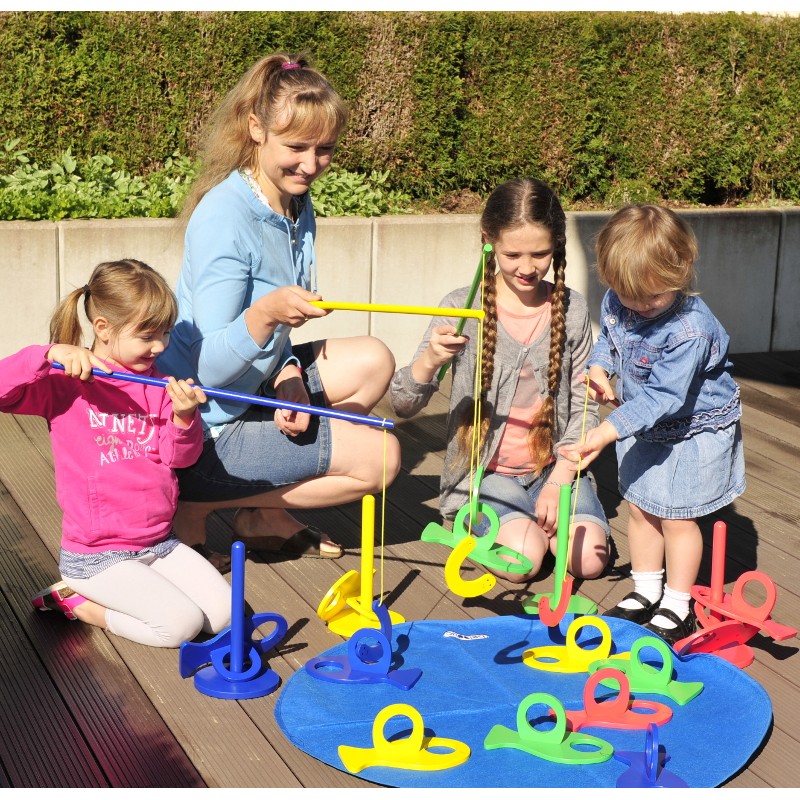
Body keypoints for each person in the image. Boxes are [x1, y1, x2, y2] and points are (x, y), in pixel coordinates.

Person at [157, 53, 400, 572]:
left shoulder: (293, 202)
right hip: (204, 421)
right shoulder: (225, 217)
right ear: (256, 129)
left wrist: (287, 370)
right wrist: (266, 315)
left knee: (375, 360)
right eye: (296, 147)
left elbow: (274, 332)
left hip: (255, 383)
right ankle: (196, 500)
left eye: (325, 149)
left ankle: (259, 516)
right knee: (384, 458)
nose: (311, 165)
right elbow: (206, 373)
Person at [389, 178, 611, 583]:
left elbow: (584, 407)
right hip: (485, 477)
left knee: (589, 562)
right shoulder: (462, 306)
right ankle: (484, 526)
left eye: (541, 253)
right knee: (526, 560)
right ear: (487, 240)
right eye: (512, 254)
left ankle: (536, 523)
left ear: (558, 243)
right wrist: (430, 360)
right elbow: (402, 403)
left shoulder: (572, 308)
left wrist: (559, 479)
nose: (527, 267)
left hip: (554, 468)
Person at [0, 259, 231, 647]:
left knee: (225, 616)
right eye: (147, 335)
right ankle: (79, 603)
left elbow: (180, 459)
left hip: (159, 542)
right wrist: (47, 353)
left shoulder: (160, 385)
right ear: (103, 329)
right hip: (96, 556)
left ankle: (136, 595)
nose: (160, 346)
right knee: (180, 628)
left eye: (166, 333)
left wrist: (184, 418)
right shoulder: (64, 382)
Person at [559, 204, 746, 645]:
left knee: (678, 517)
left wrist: (606, 430)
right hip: (642, 423)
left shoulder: (690, 331)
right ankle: (646, 589)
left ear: (681, 271)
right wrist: (600, 368)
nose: (639, 307)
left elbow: (665, 397)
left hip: (692, 431)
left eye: (653, 297)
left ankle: (678, 604)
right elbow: (608, 339)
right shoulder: (617, 301)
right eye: (628, 296)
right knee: (642, 508)